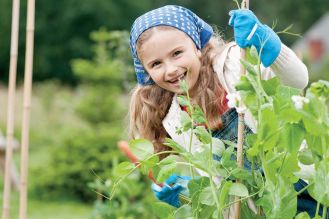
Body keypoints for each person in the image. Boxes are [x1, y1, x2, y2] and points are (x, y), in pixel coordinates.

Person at [128, 4, 314, 217]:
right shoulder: (176, 119)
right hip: (258, 210)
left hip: (301, 187)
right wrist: (195, 191)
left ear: (197, 47)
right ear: (147, 72)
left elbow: (297, 81)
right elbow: (222, 185)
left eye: (177, 53)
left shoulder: (235, 63)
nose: (170, 69)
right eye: (156, 64)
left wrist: (266, 42)